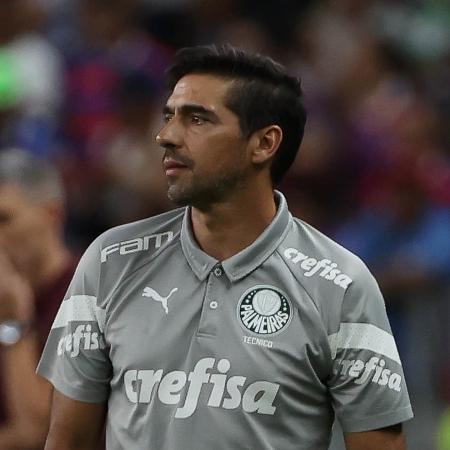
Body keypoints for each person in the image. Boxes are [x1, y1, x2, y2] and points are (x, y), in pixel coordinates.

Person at [38, 44, 413, 450]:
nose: (166, 136)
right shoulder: (110, 260)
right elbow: (67, 441)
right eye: (169, 116)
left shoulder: (340, 285)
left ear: (265, 144)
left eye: (197, 119)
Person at [0, 148, 76, 449]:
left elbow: (38, 433)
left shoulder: (89, 295)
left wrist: (12, 322)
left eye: (4, 219)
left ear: (52, 215)